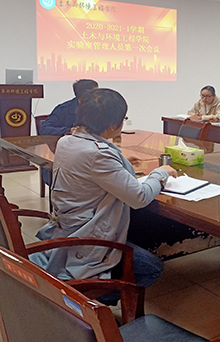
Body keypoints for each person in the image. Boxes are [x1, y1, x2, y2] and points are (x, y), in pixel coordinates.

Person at [30, 88, 177, 304]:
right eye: (123, 119)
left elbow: (91, 168)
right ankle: (85, 302)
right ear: (111, 125)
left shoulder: (66, 142)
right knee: (152, 268)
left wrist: (120, 165)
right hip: (87, 238)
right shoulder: (99, 155)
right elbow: (139, 197)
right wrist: (161, 173)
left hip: (67, 228)